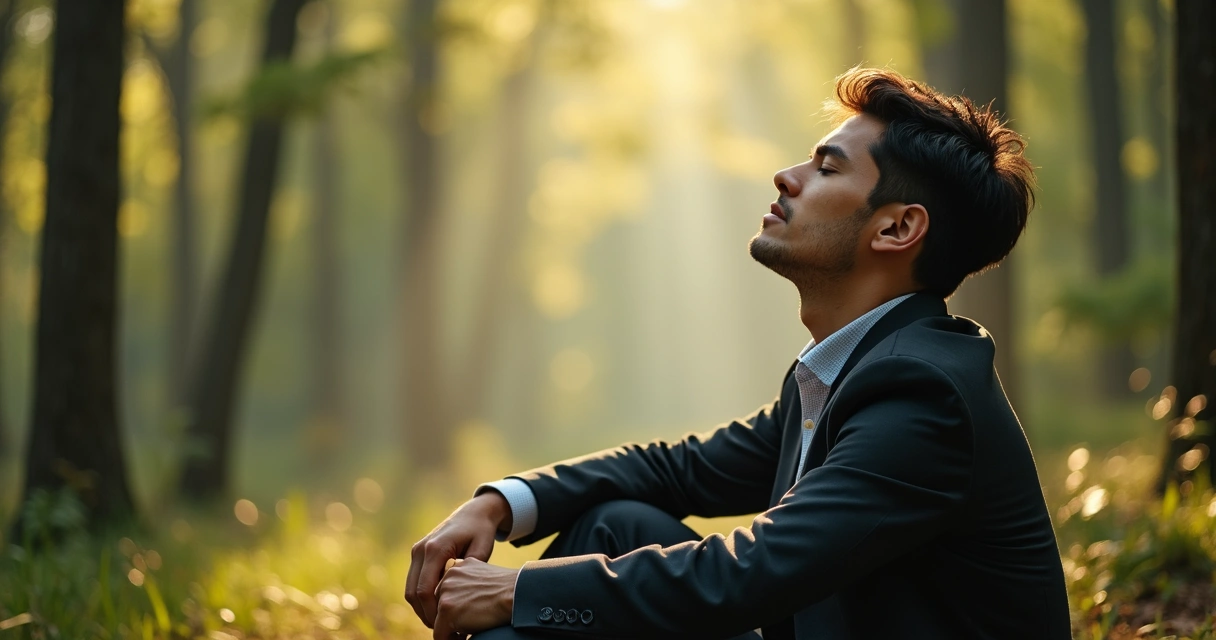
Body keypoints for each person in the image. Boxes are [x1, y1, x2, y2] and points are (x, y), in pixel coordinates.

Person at [404, 67, 1072, 640]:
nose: (787, 177)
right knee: (616, 524)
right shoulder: (850, 371)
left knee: (558, 594)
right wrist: (499, 503)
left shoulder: (923, 394)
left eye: (826, 166)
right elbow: (677, 471)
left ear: (897, 227)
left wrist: (515, 591)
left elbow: (752, 569)